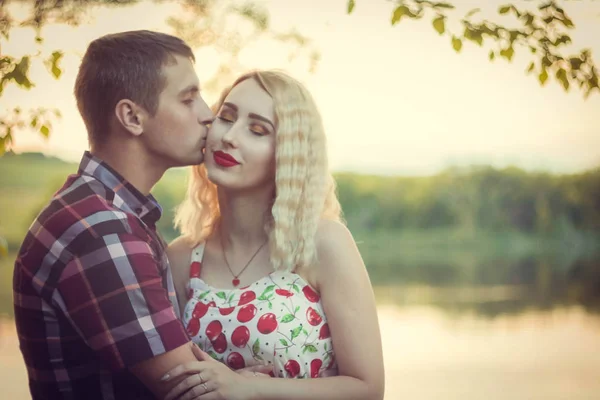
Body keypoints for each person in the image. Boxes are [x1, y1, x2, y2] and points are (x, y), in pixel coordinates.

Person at [12, 30, 267, 400]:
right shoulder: (102, 231)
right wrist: (256, 387)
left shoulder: (105, 212)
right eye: (188, 99)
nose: (208, 116)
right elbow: (192, 391)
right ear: (132, 116)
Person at [165, 70, 385, 399]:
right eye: (226, 117)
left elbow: (368, 389)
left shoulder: (321, 243)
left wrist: (250, 388)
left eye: (257, 130)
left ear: (287, 154)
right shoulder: (181, 257)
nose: (229, 137)